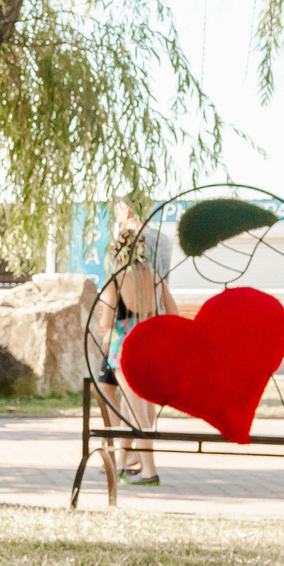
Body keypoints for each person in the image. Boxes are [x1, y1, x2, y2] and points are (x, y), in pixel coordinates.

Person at [91, 197, 176, 486]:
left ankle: (150, 471)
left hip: (124, 349)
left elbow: (104, 321)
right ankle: (124, 464)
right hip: (151, 343)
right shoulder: (154, 276)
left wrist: (111, 330)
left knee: (136, 412)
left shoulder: (118, 278)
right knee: (134, 408)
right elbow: (173, 312)